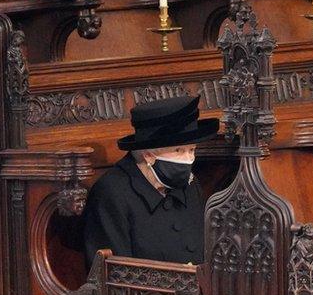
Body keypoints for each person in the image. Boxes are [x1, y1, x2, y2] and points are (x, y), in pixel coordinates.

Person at [83, 95, 218, 267]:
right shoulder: (111, 194)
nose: (188, 159)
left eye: (192, 149)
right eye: (178, 150)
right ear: (148, 154)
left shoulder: (191, 185)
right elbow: (113, 276)